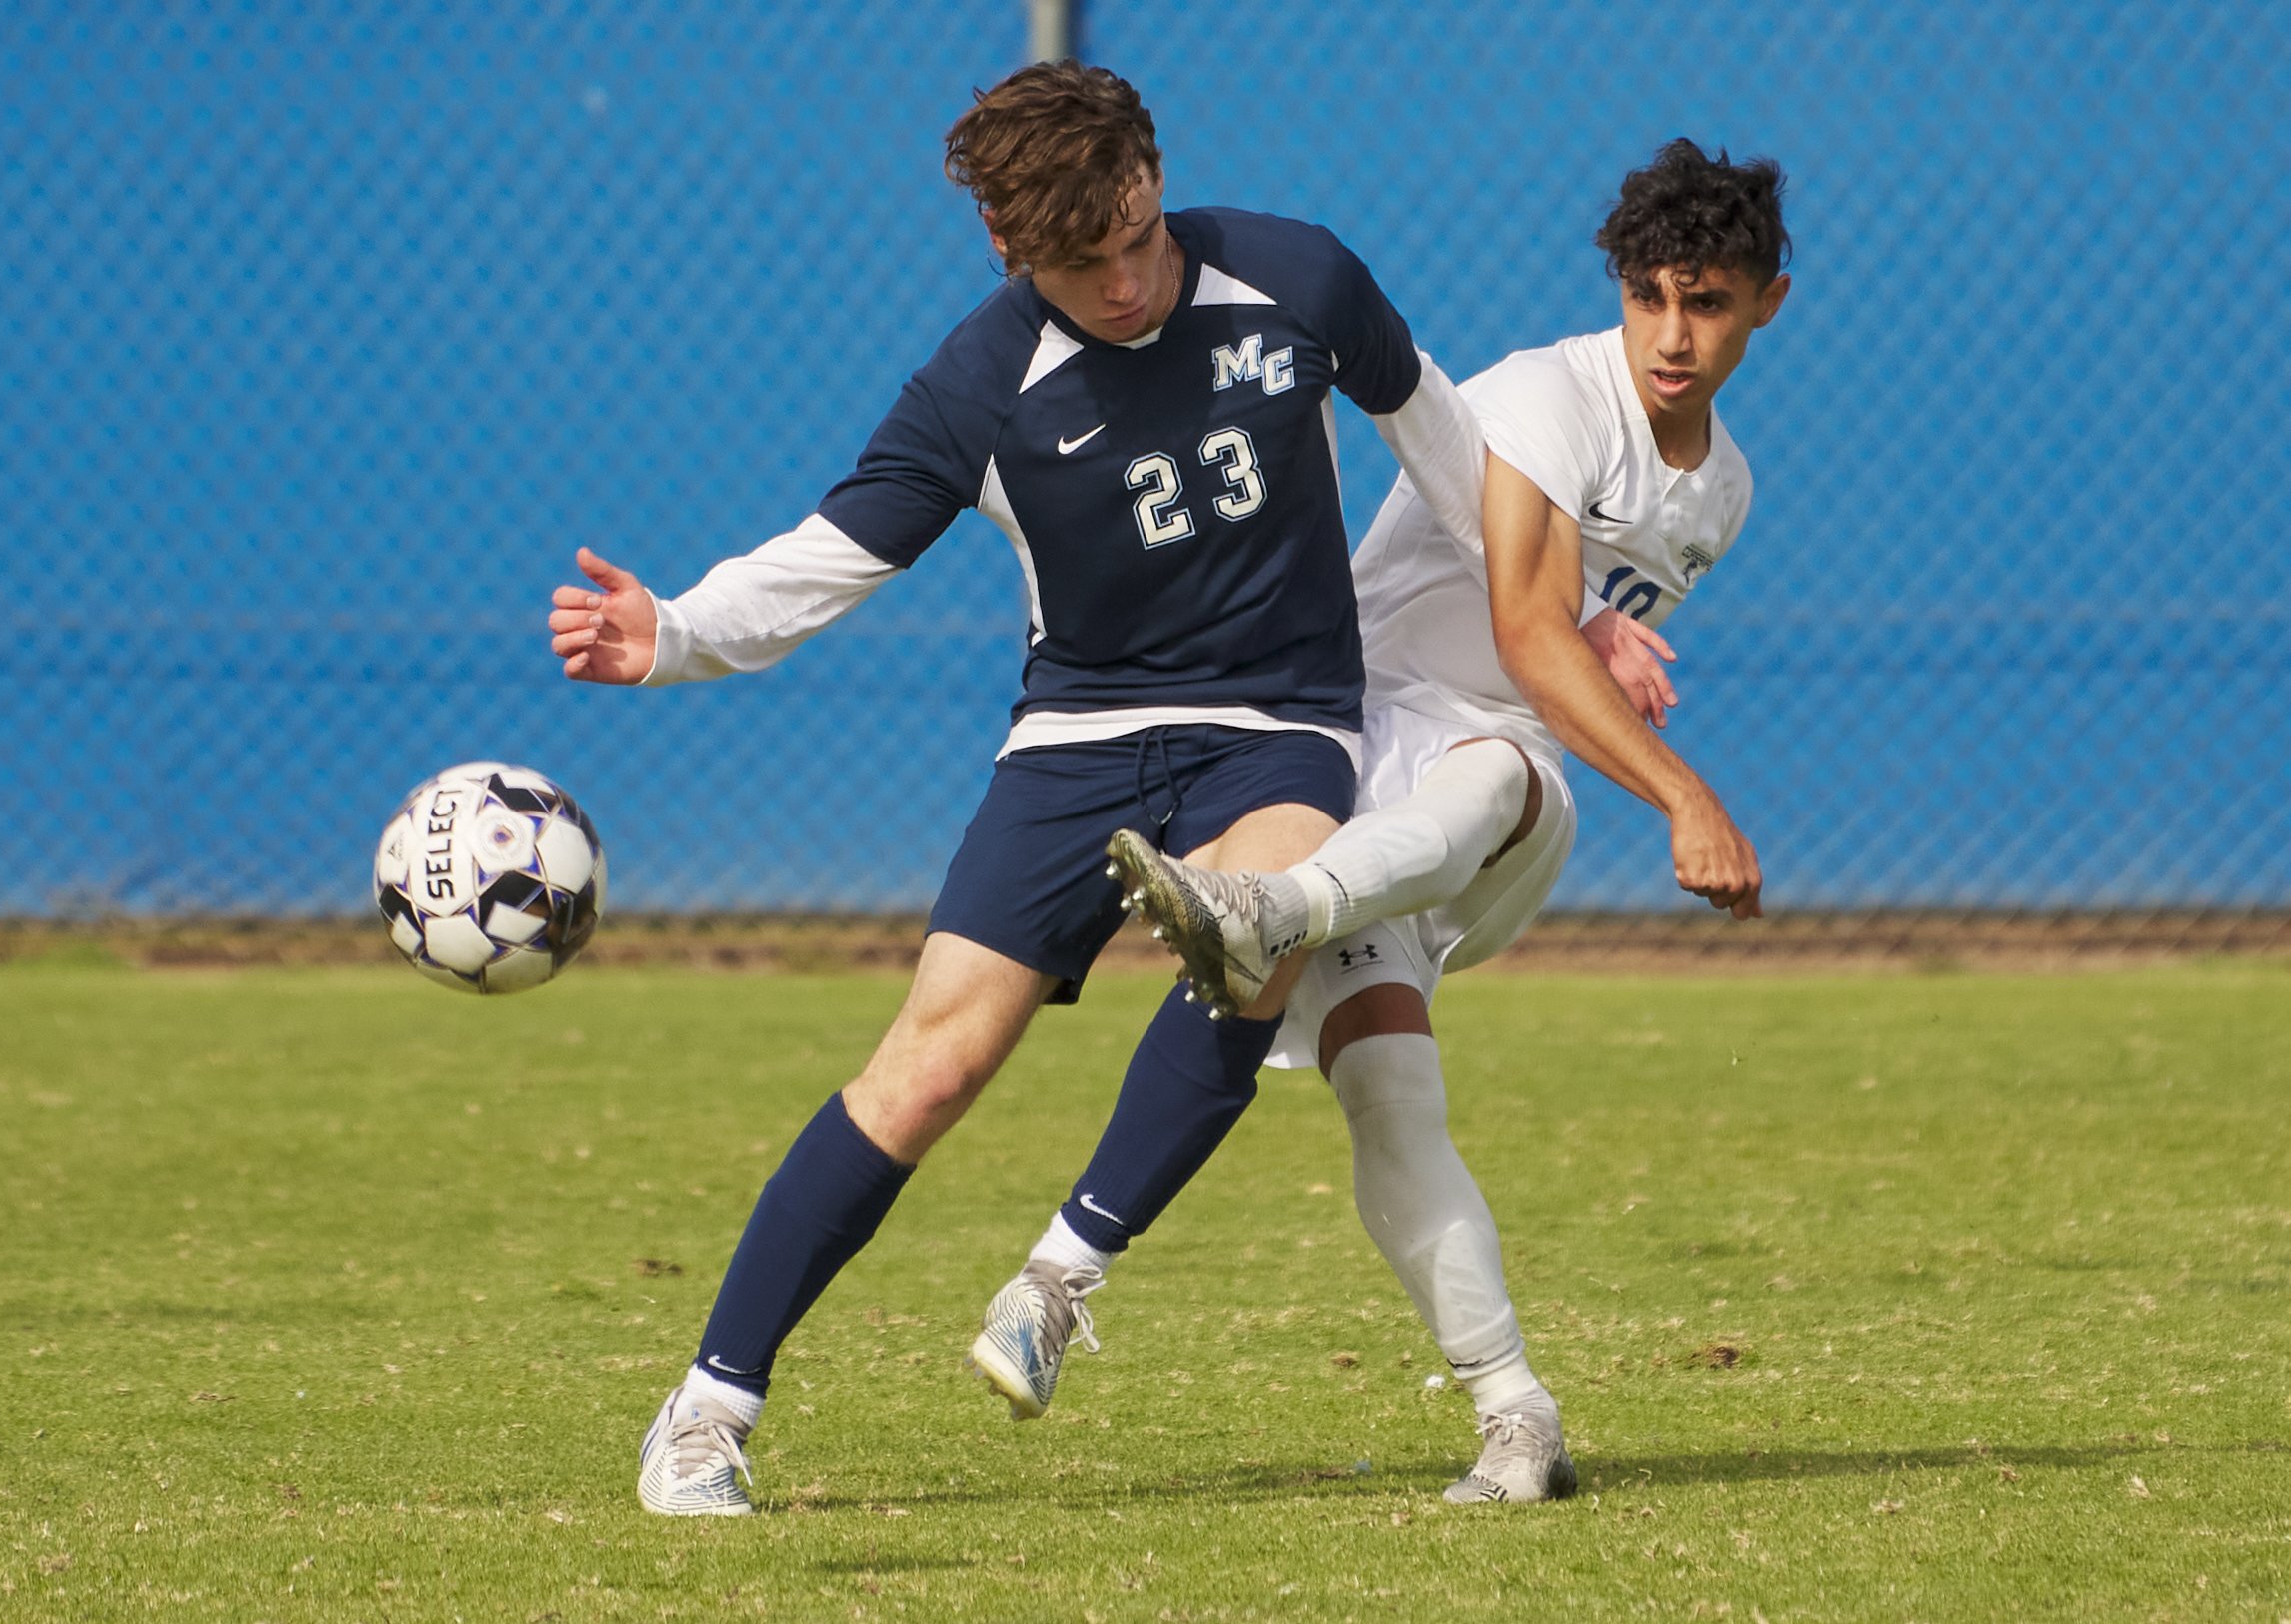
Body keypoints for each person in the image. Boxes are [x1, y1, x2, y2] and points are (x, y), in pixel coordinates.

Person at [546, 61, 1516, 1517]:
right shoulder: (978, 380)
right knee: (928, 1066)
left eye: (1137, 235)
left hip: (1277, 724)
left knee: (1250, 936)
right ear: (1004, 247)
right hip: (1076, 741)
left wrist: (1553, 614)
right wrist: (672, 631)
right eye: (1082, 261)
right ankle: (703, 1413)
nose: (1125, 281)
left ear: (1154, 172)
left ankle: (1059, 1276)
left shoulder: (1296, 275)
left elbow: (1450, 453)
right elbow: (830, 555)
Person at [988, 138, 1789, 1504]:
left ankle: (1266, 909)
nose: (1670, 332)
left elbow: (1539, 674)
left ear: (1767, 300)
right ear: (1617, 290)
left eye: (1705, 301)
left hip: (1485, 798)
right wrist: (1684, 793)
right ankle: (1511, 1416)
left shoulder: (1721, 490)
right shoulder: (1549, 396)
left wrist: (1628, 716)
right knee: (1392, 1101)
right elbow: (1535, 630)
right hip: (1361, 768)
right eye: (1648, 295)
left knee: (1491, 768)